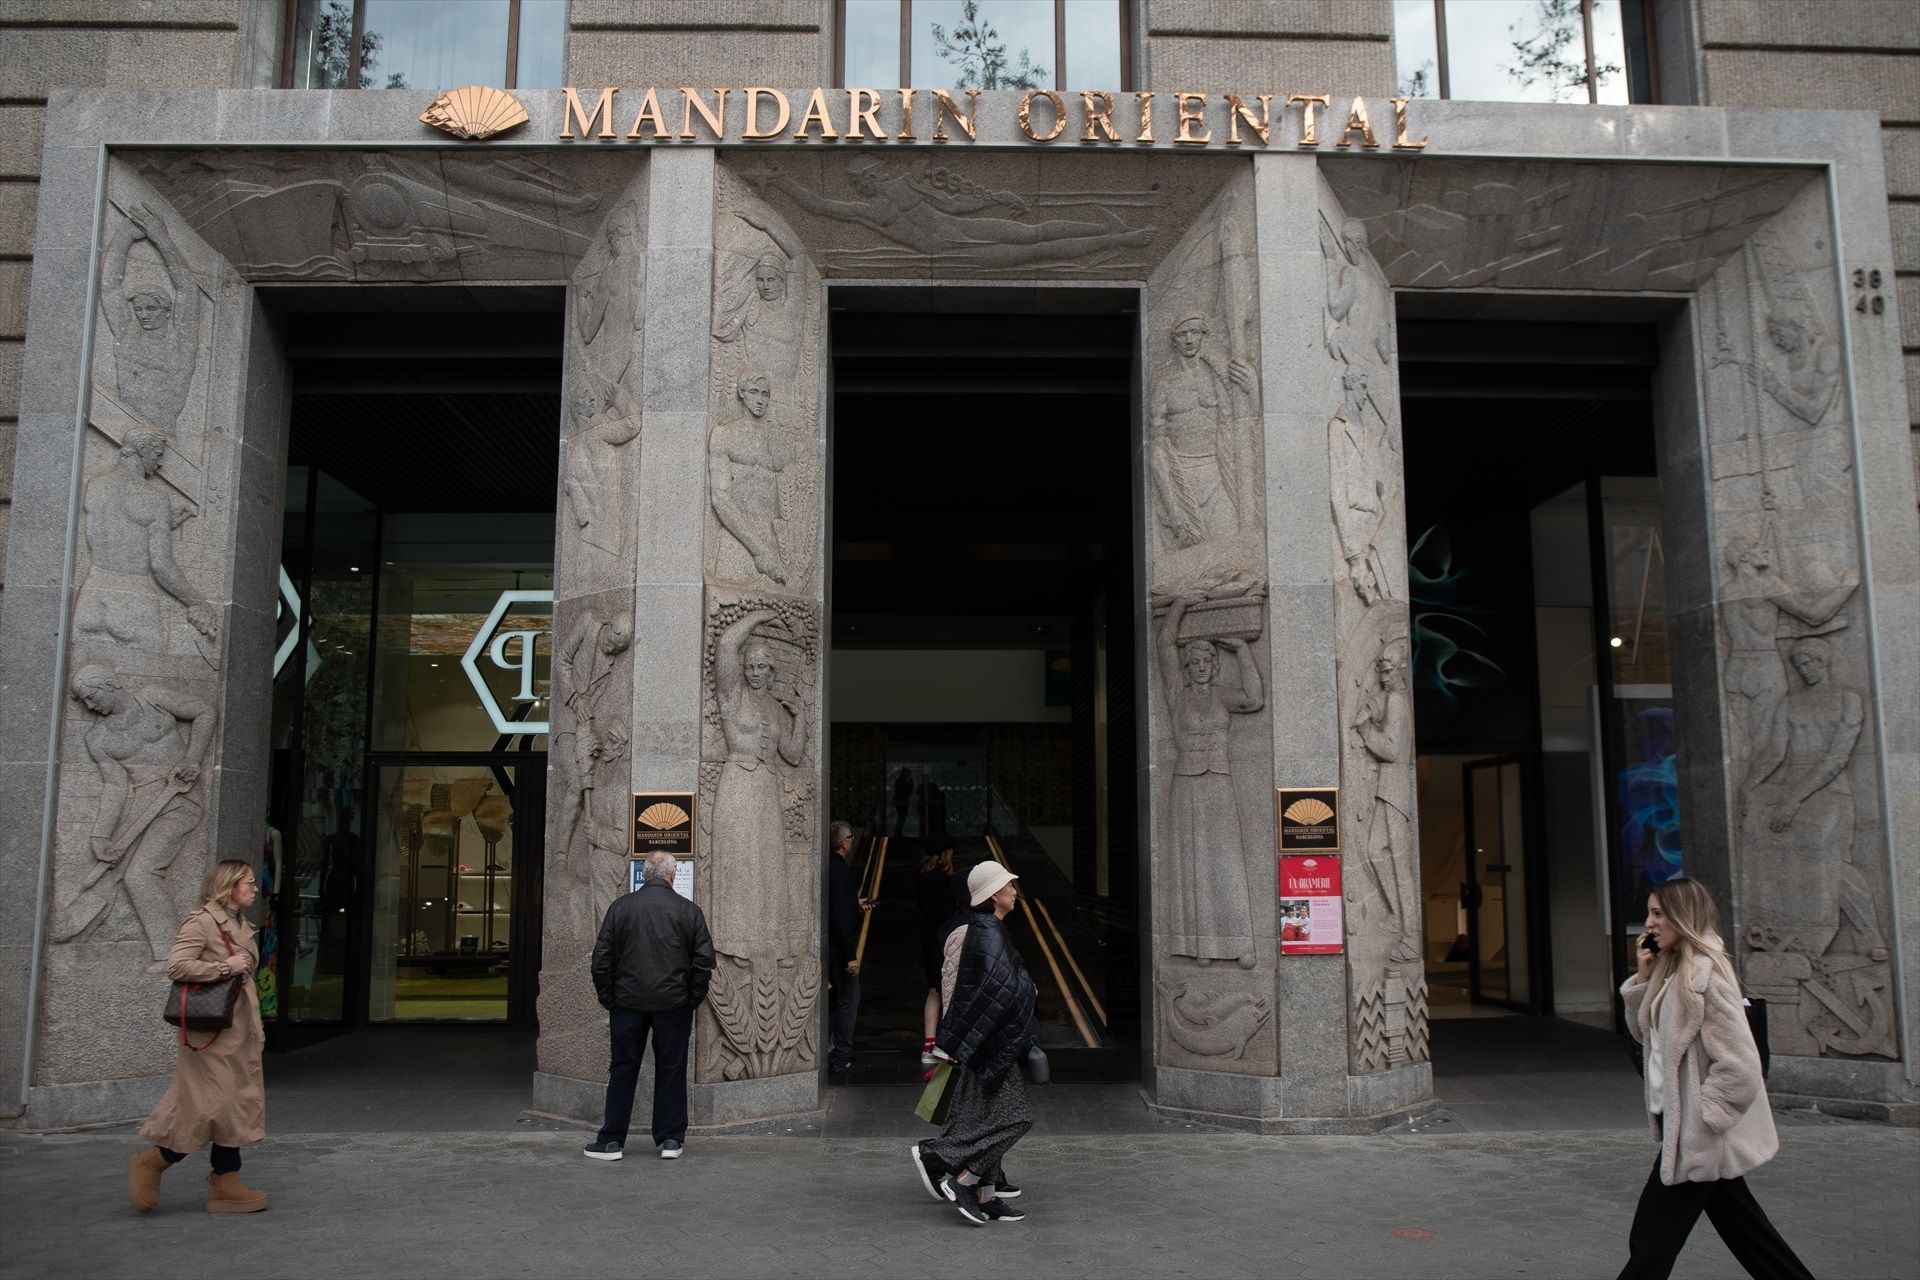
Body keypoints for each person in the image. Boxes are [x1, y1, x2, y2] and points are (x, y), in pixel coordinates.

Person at [1616, 877, 1813, 1280]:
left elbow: (1741, 1066)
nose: (1648, 924)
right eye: (1649, 913)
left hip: (1698, 1135)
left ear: (1682, 916)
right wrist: (1642, 977)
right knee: (1750, 1236)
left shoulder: (1705, 978)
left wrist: (1706, 1120)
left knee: (1651, 1243)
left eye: (1657, 913)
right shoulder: (1672, 970)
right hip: (1690, 1129)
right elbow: (1644, 1036)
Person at [126, 859, 269, 1214]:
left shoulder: (241, 922)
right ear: (228, 886)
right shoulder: (203, 922)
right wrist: (224, 967)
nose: (254, 888)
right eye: (247, 883)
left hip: (238, 1030)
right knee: (211, 1106)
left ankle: (225, 1183)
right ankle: (156, 1161)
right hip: (210, 1033)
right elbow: (177, 965)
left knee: (230, 1106)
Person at [909, 862, 1037, 1226]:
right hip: (983, 1045)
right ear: (994, 893)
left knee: (988, 1116)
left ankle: (988, 1193)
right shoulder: (976, 932)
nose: (1015, 891)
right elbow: (958, 988)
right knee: (1014, 1118)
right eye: (1010, 886)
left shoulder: (990, 929)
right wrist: (954, 1043)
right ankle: (947, 1165)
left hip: (988, 1042)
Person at [584, 850, 716, 1162]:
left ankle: (611, 1140)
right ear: (672, 876)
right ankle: (671, 1139)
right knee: (672, 1069)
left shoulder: (620, 908)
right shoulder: (689, 911)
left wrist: (610, 999)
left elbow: (600, 961)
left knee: (622, 1069)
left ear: (645, 874)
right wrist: (690, 999)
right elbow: (703, 963)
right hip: (673, 1004)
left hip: (627, 1003)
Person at [915, 832, 967, 1065]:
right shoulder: (952, 880)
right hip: (948, 938)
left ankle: (928, 1047)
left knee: (934, 990)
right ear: (947, 853)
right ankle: (947, 1045)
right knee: (951, 989)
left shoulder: (922, 877)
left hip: (928, 938)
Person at [826, 820, 873, 1073]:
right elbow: (841, 918)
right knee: (849, 997)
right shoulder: (840, 870)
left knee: (836, 998)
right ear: (844, 843)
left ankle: (831, 1049)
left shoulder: (828, 867)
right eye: (850, 839)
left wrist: (855, 905)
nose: (852, 843)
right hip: (838, 948)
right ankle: (841, 1054)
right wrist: (850, 956)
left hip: (829, 944)